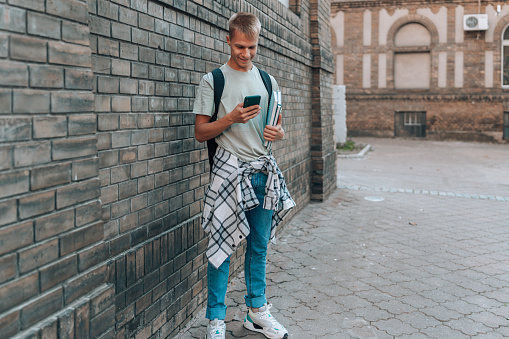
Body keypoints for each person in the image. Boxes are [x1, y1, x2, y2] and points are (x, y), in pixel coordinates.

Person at [193, 11, 295, 339]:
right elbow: (200, 133)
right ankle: (216, 322)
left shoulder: (268, 81)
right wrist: (230, 119)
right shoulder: (214, 81)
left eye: (252, 47)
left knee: (259, 246)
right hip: (229, 175)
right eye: (240, 46)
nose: (246, 53)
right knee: (222, 250)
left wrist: (278, 134)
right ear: (228, 39)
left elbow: (276, 126)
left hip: (263, 173)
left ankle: (256, 313)